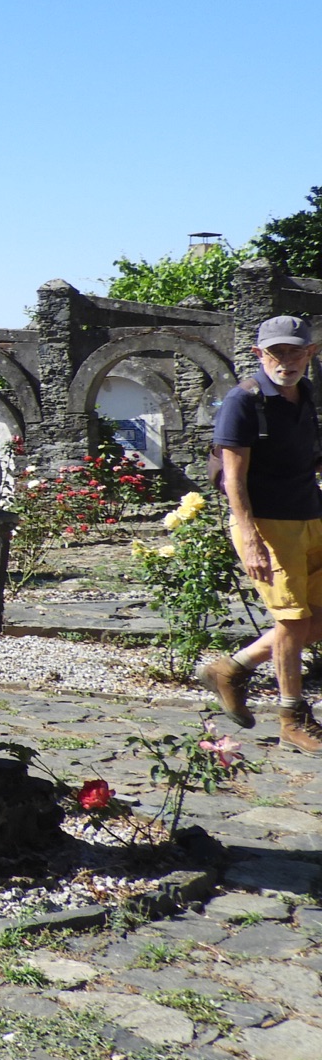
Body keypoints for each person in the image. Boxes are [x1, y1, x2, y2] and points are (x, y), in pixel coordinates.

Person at [197, 316, 322, 752]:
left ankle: (232, 667)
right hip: (267, 523)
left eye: (294, 352)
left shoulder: (305, 395)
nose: (284, 361)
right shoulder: (243, 401)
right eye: (275, 353)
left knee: (318, 615)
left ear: (310, 353)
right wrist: (248, 535)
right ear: (259, 355)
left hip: (310, 516)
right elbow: (235, 477)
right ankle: (292, 717)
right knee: (292, 620)